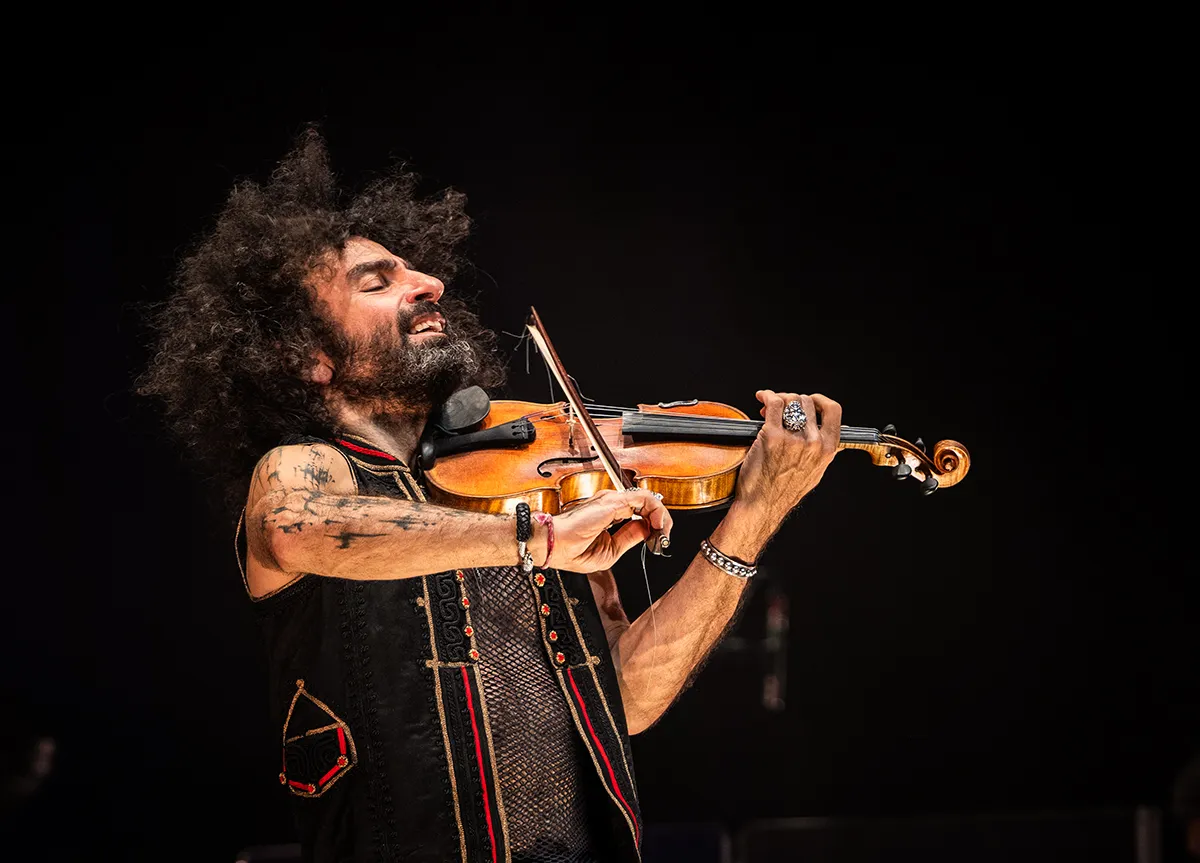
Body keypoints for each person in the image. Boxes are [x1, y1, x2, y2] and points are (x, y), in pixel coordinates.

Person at [136, 127, 842, 863]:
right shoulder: (301, 471)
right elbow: (296, 528)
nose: (428, 284)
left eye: (416, 271)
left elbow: (623, 698)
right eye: (376, 282)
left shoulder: (524, 485)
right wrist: (537, 539)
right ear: (307, 358)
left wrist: (753, 517)